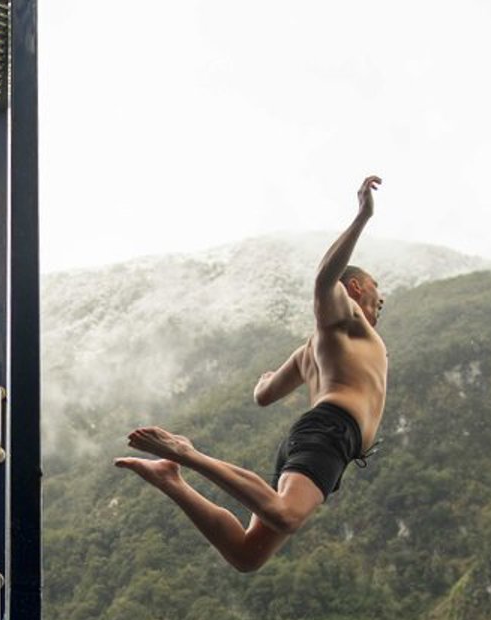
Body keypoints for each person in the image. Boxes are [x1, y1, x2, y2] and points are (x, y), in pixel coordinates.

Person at [115, 175, 388, 572]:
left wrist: (264, 380)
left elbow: (264, 396)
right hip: (330, 432)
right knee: (285, 515)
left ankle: (171, 478)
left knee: (247, 554)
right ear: (358, 288)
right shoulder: (348, 316)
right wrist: (362, 217)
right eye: (379, 297)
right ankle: (184, 455)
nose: (380, 307)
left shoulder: (311, 351)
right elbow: (324, 279)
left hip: (320, 438)